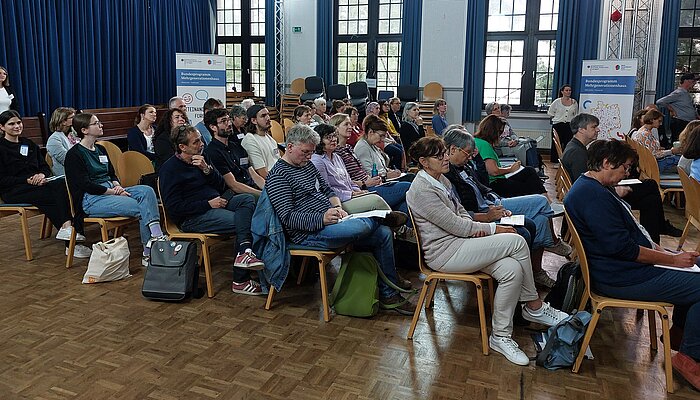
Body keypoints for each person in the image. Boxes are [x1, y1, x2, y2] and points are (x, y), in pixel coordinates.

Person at [406, 136, 568, 366]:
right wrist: (494, 228)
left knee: (512, 269)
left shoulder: (441, 179)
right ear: (423, 161)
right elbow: (457, 226)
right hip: (444, 254)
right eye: (438, 155)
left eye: (444, 152)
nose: (445, 157)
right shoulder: (422, 189)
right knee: (515, 240)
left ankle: (500, 336)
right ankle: (532, 305)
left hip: (460, 244)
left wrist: (486, 227)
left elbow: (461, 212)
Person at [564, 139, 700, 390]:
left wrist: (667, 254)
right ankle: (689, 358)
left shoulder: (591, 187)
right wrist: (672, 259)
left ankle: (683, 337)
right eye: (624, 168)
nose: (626, 174)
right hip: (622, 277)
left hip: (621, 270)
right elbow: (625, 250)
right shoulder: (593, 196)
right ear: (606, 163)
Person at [265, 124, 415, 314]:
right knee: (360, 227)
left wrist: (336, 207)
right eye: (305, 152)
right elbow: (288, 218)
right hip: (307, 233)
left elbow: (327, 190)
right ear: (289, 147)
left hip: (330, 219)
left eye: (311, 152)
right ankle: (380, 218)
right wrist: (322, 218)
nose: (309, 157)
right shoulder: (278, 176)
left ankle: (389, 292)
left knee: (383, 233)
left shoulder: (306, 164)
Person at [442, 124, 572, 267]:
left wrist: (491, 196)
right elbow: (462, 209)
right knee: (540, 202)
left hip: (492, 202)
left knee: (540, 219)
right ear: (453, 149)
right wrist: (488, 213)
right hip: (485, 211)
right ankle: (552, 242)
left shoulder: (463, 166)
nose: (469, 155)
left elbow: (483, 184)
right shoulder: (449, 174)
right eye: (467, 153)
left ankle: (536, 271)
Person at [159, 125, 265, 295]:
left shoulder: (202, 158)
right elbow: (174, 208)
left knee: (246, 199)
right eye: (196, 142)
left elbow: (221, 185)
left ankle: (244, 251)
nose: (201, 144)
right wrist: (208, 204)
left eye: (200, 139)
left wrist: (206, 169)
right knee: (245, 222)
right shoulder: (169, 169)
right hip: (193, 216)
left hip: (217, 202)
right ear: (182, 147)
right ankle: (240, 280)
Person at [562, 113, 682, 244]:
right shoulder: (577, 153)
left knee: (650, 200)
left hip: (602, 191)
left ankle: (652, 240)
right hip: (602, 195)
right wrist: (615, 189)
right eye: (594, 127)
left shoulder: (576, 147)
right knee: (650, 185)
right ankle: (658, 231)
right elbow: (590, 185)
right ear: (581, 129)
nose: (598, 129)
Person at [64, 113, 163, 265]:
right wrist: (114, 192)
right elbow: (85, 185)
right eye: (96, 123)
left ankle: (155, 237)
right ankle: (148, 252)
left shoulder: (100, 150)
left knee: (147, 190)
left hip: (112, 189)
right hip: (91, 199)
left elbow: (111, 174)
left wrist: (117, 186)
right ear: (84, 130)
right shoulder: (74, 154)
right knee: (143, 207)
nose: (101, 125)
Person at [0, 110, 91, 258]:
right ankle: (71, 237)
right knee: (56, 195)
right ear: (2, 127)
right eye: (11, 124)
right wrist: (27, 180)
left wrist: (41, 175)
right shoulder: (1, 148)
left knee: (61, 187)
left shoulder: (28, 144)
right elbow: (2, 180)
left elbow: (44, 168)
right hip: (14, 190)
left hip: (38, 184)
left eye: (18, 122)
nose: (17, 126)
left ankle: (69, 234)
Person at [334, 114, 412, 222]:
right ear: (336, 128)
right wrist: (366, 183)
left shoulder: (348, 148)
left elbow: (363, 171)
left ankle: (407, 231)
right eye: (346, 124)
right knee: (409, 187)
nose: (350, 126)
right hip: (364, 188)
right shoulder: (337, 153)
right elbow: (342, 182)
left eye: (350, 124)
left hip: (372, 183)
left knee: (404, 200)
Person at [311, 123, 390, 214]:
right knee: (376, 201)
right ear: (319, 141)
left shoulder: (337, 157)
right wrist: (351, 194)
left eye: (334, 136)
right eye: (328, 137)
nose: (333, 139)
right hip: (338, 202)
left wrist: (358, 191)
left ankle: (400, 226)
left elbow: (348, 181)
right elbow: (326, 189)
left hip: (350, 195)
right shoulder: (317, 160)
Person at [474, 115, 547, 198]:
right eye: (500, 132)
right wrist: (510, 169)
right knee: (531, 184)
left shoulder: (478, 141)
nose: (501, 135)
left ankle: (545, 199)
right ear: (493, 132)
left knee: (529, 171)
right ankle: (545, 200)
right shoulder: (485, 145)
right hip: (496, 185)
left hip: (495, 181)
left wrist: (510, 168)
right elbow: (493, 171)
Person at [203, 108, 262, 198]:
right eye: (224, 121)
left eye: (229, 120)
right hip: (239, 195)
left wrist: (269, 189)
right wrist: (261, 194)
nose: (229, 124)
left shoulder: (237, 147)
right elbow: (233, 185)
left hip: (253, 188)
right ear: (213, 127)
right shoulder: (212, 152)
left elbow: (253, 174)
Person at [354, 115, 411, 182]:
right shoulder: (362, 147)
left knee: (410, 176)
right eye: (381, 136)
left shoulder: (372, 145)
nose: (382, 139)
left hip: (383, 180)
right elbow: (368, 174)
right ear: (370, 132)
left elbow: (381, 168)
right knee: (408, 181)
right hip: (376, 184)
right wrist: (387, 175)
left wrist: (391, 171)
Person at [498, 103, 543, 176]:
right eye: (507, 112)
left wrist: (515, 140)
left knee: (530, 142)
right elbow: (495, 141)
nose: (508, 114)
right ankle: (534, 169)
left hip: (510, 142)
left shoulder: (505, 122)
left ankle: (534, 169)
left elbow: (512, 133)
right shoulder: (494, 123)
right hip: (502, 147)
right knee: (527, 146)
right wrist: (508, 143)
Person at [631, 109, 681, 173]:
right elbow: (653, 155)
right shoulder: (645, 134)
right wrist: (671, 151)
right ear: (652, 120)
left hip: (650, 163)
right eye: (659, 121)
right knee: (682, 160)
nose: (660, 124)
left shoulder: (643, 131)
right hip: (655, 164)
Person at [228, 105, 265, 190]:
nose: (245, 121)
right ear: (235, 117)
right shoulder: (230, 134)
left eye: (245, 119)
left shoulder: (244, 130)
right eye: (243, 119)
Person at [657, 72, 700, 144]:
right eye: (693, 81)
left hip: (688, 122)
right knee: (679, 142)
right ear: (687, 81)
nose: (694, 83)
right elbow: (660, 101)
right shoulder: (678, 93)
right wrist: (671, 109)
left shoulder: (686, 93)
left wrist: (696, 115)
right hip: (680, 122)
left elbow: (690, 107)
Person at [241, 104, 280, 178]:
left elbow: (279, 161)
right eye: (263, 116)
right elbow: (262, 173)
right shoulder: (250, 140)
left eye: (268, 115)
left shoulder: (269, 138)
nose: (268, 118)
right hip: (269, 182)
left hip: (278, 176)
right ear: (254, 120)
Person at [547, 84, 578, 163]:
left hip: (569, 125)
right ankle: (555, 161)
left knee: (568, 143)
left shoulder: (574, 102)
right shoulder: (557, 102)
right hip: (558, 125)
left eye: (570, 90)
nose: (568, 92)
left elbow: (576, 114)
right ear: (562, 92)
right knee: (557, 143)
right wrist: (556, 118)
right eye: (566, 90)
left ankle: (566, 160)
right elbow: (550, 112)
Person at [46, 107, 79, 176]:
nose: (75, 119)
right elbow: (67, 160)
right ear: (63, 122)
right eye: (72, 117)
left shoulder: (73, 134)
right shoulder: (54, 139)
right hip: (66, 177)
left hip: (79, 172)